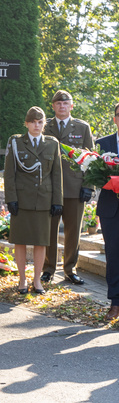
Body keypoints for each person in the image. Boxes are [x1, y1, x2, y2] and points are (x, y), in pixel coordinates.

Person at [4, 106, 63, 295]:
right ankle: (22, 279)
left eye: (40, 122)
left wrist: (57, 201)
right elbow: (9, 173)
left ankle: (37, 280)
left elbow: (57, 175)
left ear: (44, 124)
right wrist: (11, 198)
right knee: (20, 241)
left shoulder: (52, 144)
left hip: (43, 200)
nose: (36, 125)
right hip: (21, 200)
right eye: (33, 122)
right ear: (26, 124)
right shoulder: (15, 142)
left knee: (40, 242)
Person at [42, 90, 94, 285]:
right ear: (53, 106)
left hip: (74, 187)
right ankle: (48, 269)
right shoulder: (44, 126)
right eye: (58, 103)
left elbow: (91, 158)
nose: (62, 106)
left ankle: (70, 270)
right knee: (49, 231)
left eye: (65, 103)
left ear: (71, 106)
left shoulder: (82, 127)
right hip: (50, 188)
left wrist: (88, 186)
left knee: (73, 232)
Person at [96, 104, 119, 318]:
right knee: (113, 255)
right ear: (114, 119)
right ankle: (115, 303)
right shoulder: (102, 144)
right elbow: (93, 175)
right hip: (111, 208)